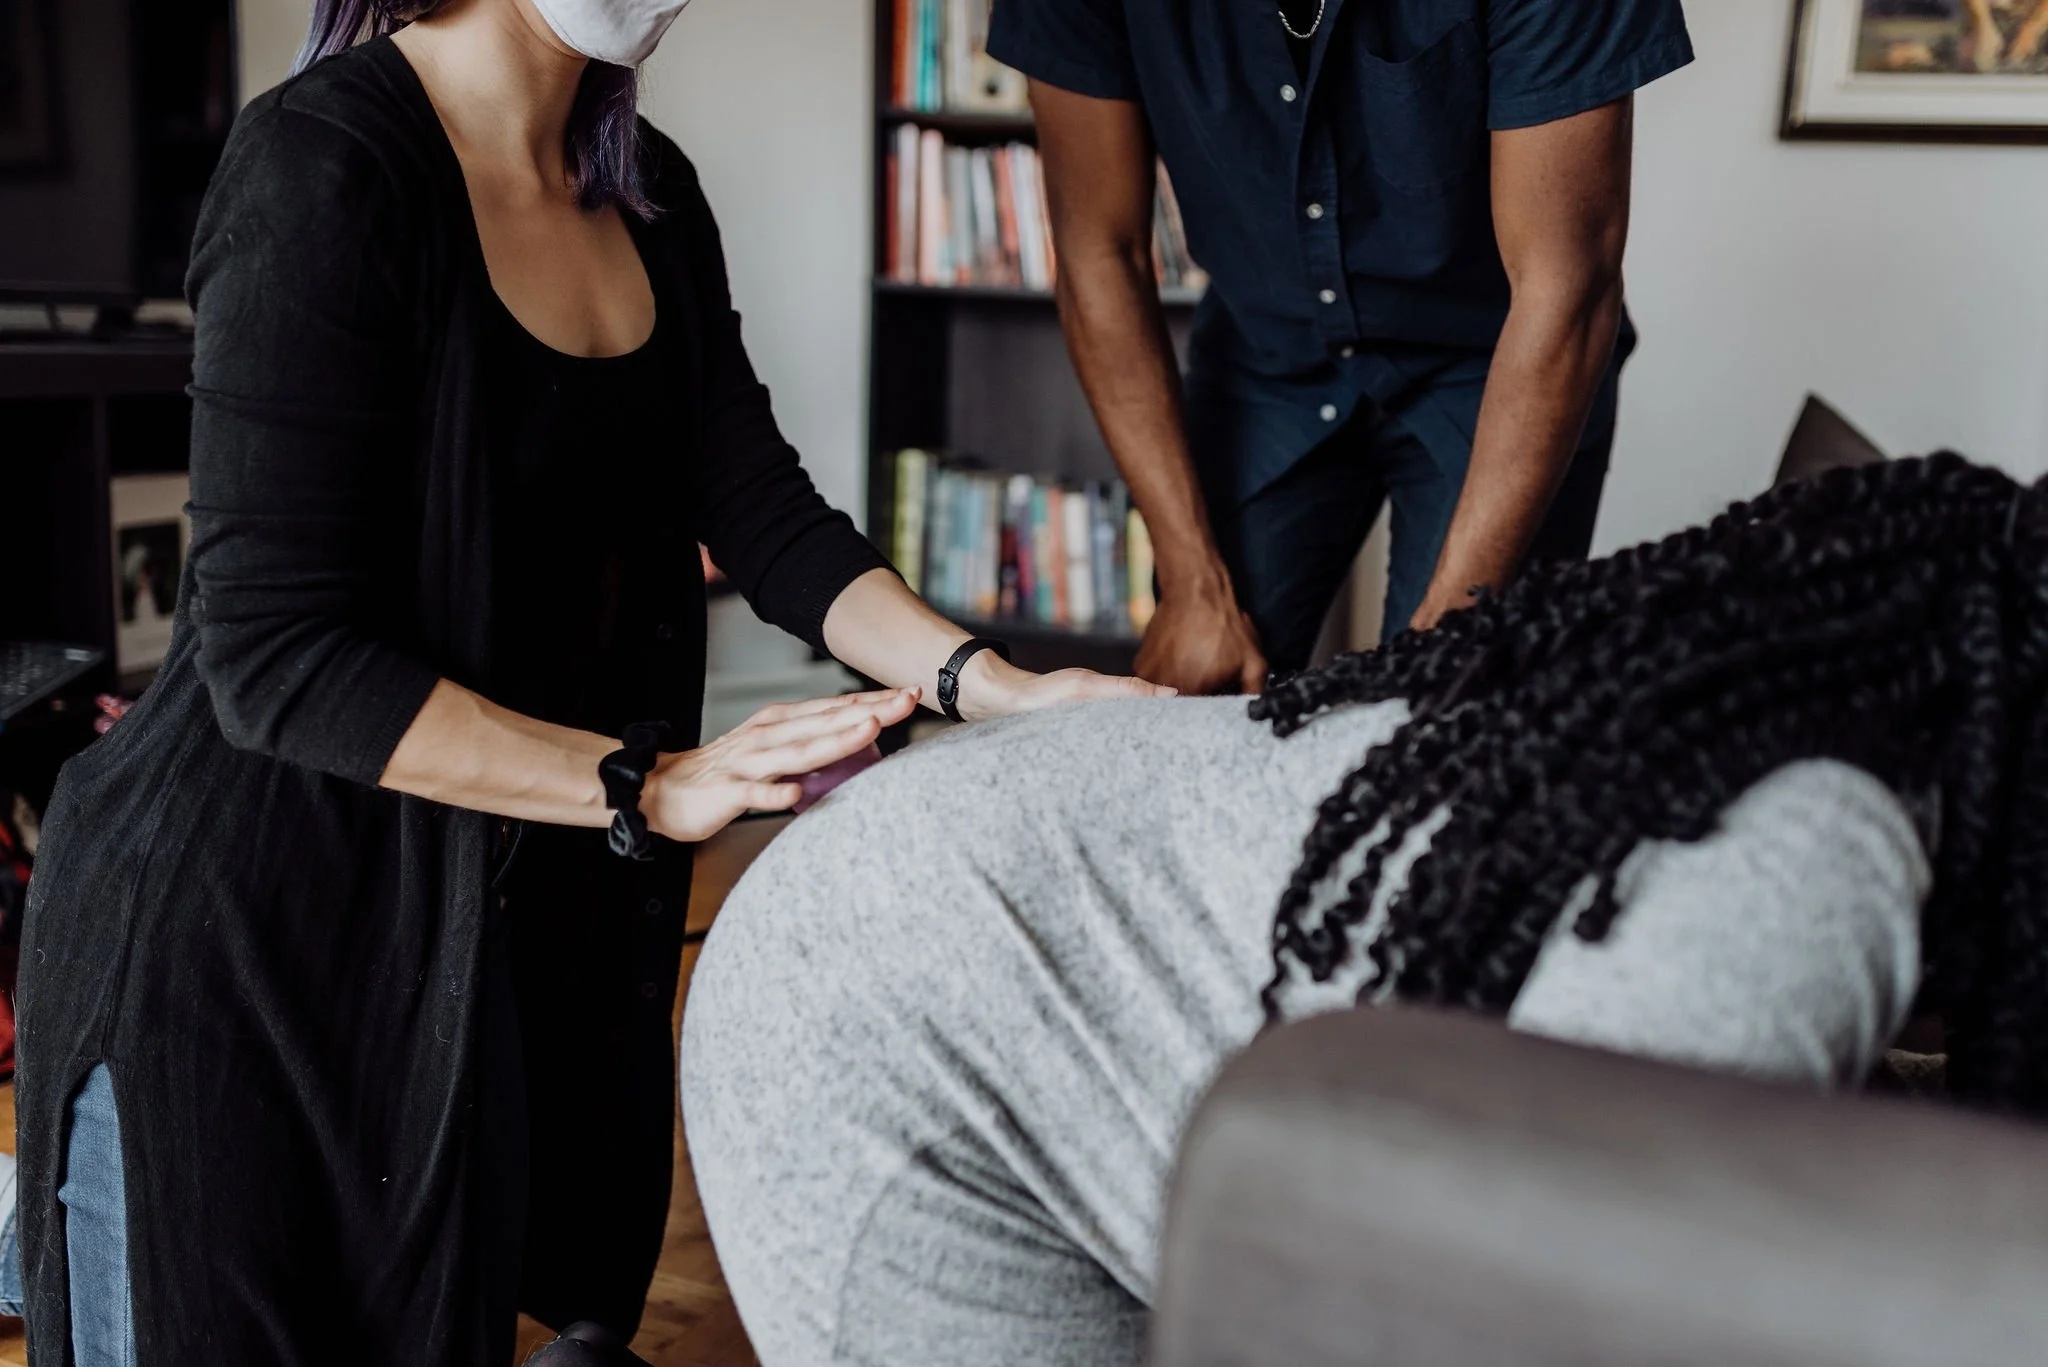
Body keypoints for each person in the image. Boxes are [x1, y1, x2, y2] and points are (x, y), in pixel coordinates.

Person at [11, 0, 1165, 1361]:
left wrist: (994, 684)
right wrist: (646, 779)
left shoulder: (651, 192)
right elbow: (276, 655)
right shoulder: (316, 169)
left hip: (476, 932)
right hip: (240, 939)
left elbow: (763, 507)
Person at [681, 453, 2048, 1365]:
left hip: (990, 889)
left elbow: (1766, 1130)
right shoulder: (1800, 870)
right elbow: (1537, 1303)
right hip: (880, 1026)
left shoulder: (1802, 755)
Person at [984, 0, 1695, 692]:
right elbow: (1097, 251)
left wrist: (1446, 641)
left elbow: (1564, 287)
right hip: (1267, 360)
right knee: (1200, 681)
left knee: (1456, 718)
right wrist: (1191, 579)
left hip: (1498, 361)